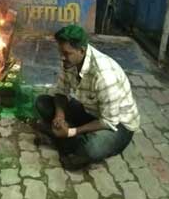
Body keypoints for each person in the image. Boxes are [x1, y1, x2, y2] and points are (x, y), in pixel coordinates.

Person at [34, 24, 140, 170]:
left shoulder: (104, 76)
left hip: (118, 125)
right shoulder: (70, 61)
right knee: (42, 103)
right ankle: (68, 139)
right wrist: (59, 117)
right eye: (61, 52)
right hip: (91, 110)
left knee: (92, 148)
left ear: (82, 50)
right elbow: (61, 92)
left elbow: (108, 122)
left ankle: (65, 139)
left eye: (66, 53)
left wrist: (71, 131)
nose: (62, 57)